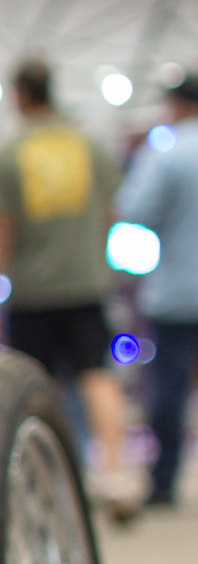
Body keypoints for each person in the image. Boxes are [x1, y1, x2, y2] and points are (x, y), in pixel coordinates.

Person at [0, 58, 138, 518]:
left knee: (37, 388)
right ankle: (115, 472)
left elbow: (0, 227)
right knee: (97, 375)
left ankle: (48, 483)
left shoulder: (8, 152)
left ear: (20, 95)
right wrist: (96, 261)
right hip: (86, 283)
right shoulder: (87, 144)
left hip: (32, 291)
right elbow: (110, 210)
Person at [115, 68, 198, 507]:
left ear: (177, 105)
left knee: (168, 390)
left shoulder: (166, 154)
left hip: (177, 292)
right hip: (178, 290)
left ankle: (164, 481)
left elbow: (133, 208)